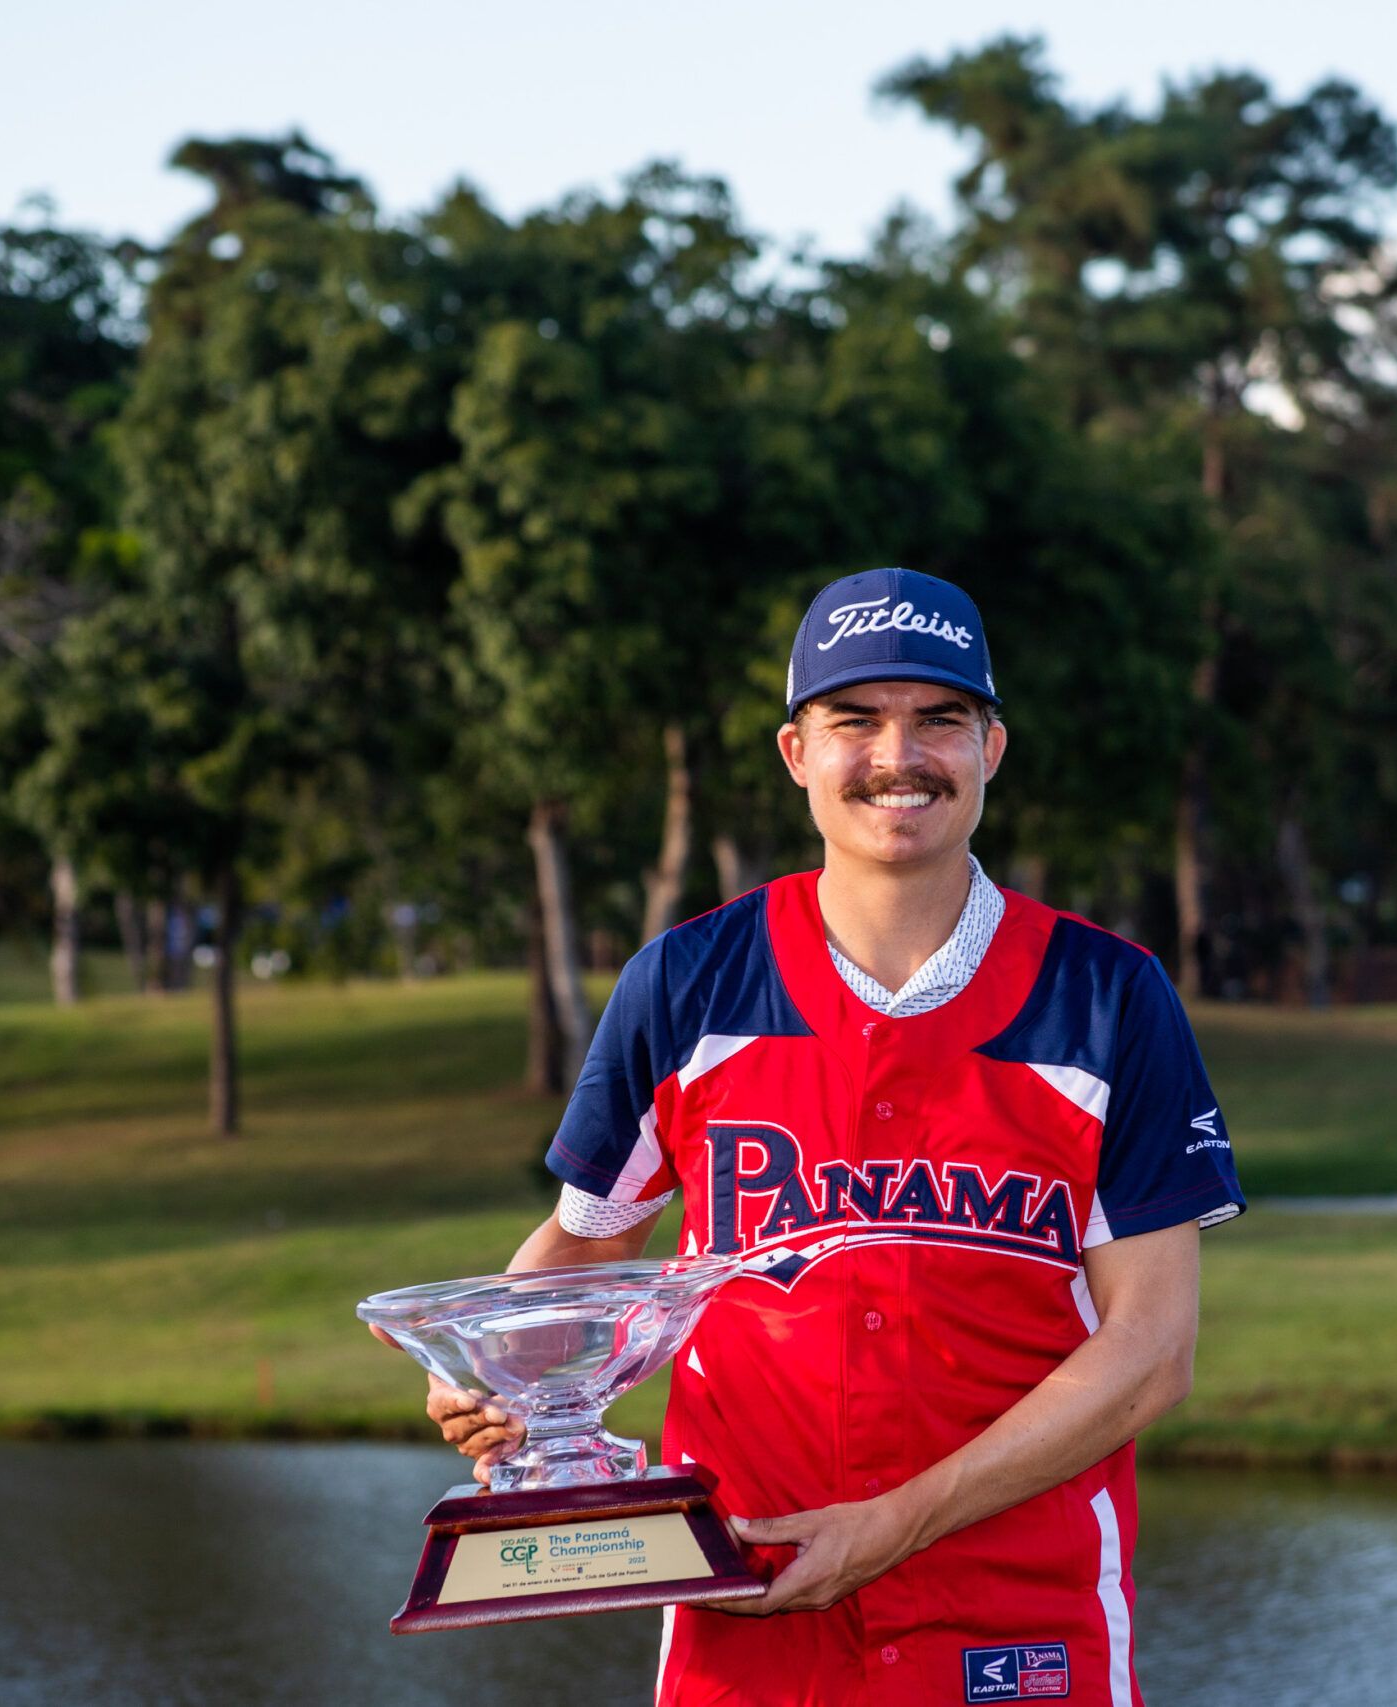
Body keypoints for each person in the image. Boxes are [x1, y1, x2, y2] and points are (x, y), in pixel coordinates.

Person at [399, 567, 1243, 1705]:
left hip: (1017, 1623)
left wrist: (897, 1524)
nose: (899, 758)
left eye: (939, 720)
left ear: (992, 747)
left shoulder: (1109, 998)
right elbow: (579, 1248)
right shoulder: (689, 984)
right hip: (746, 1599)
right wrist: (498, 1376)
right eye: (856, 722)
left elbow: (1151, 1351)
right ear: (797, 754)